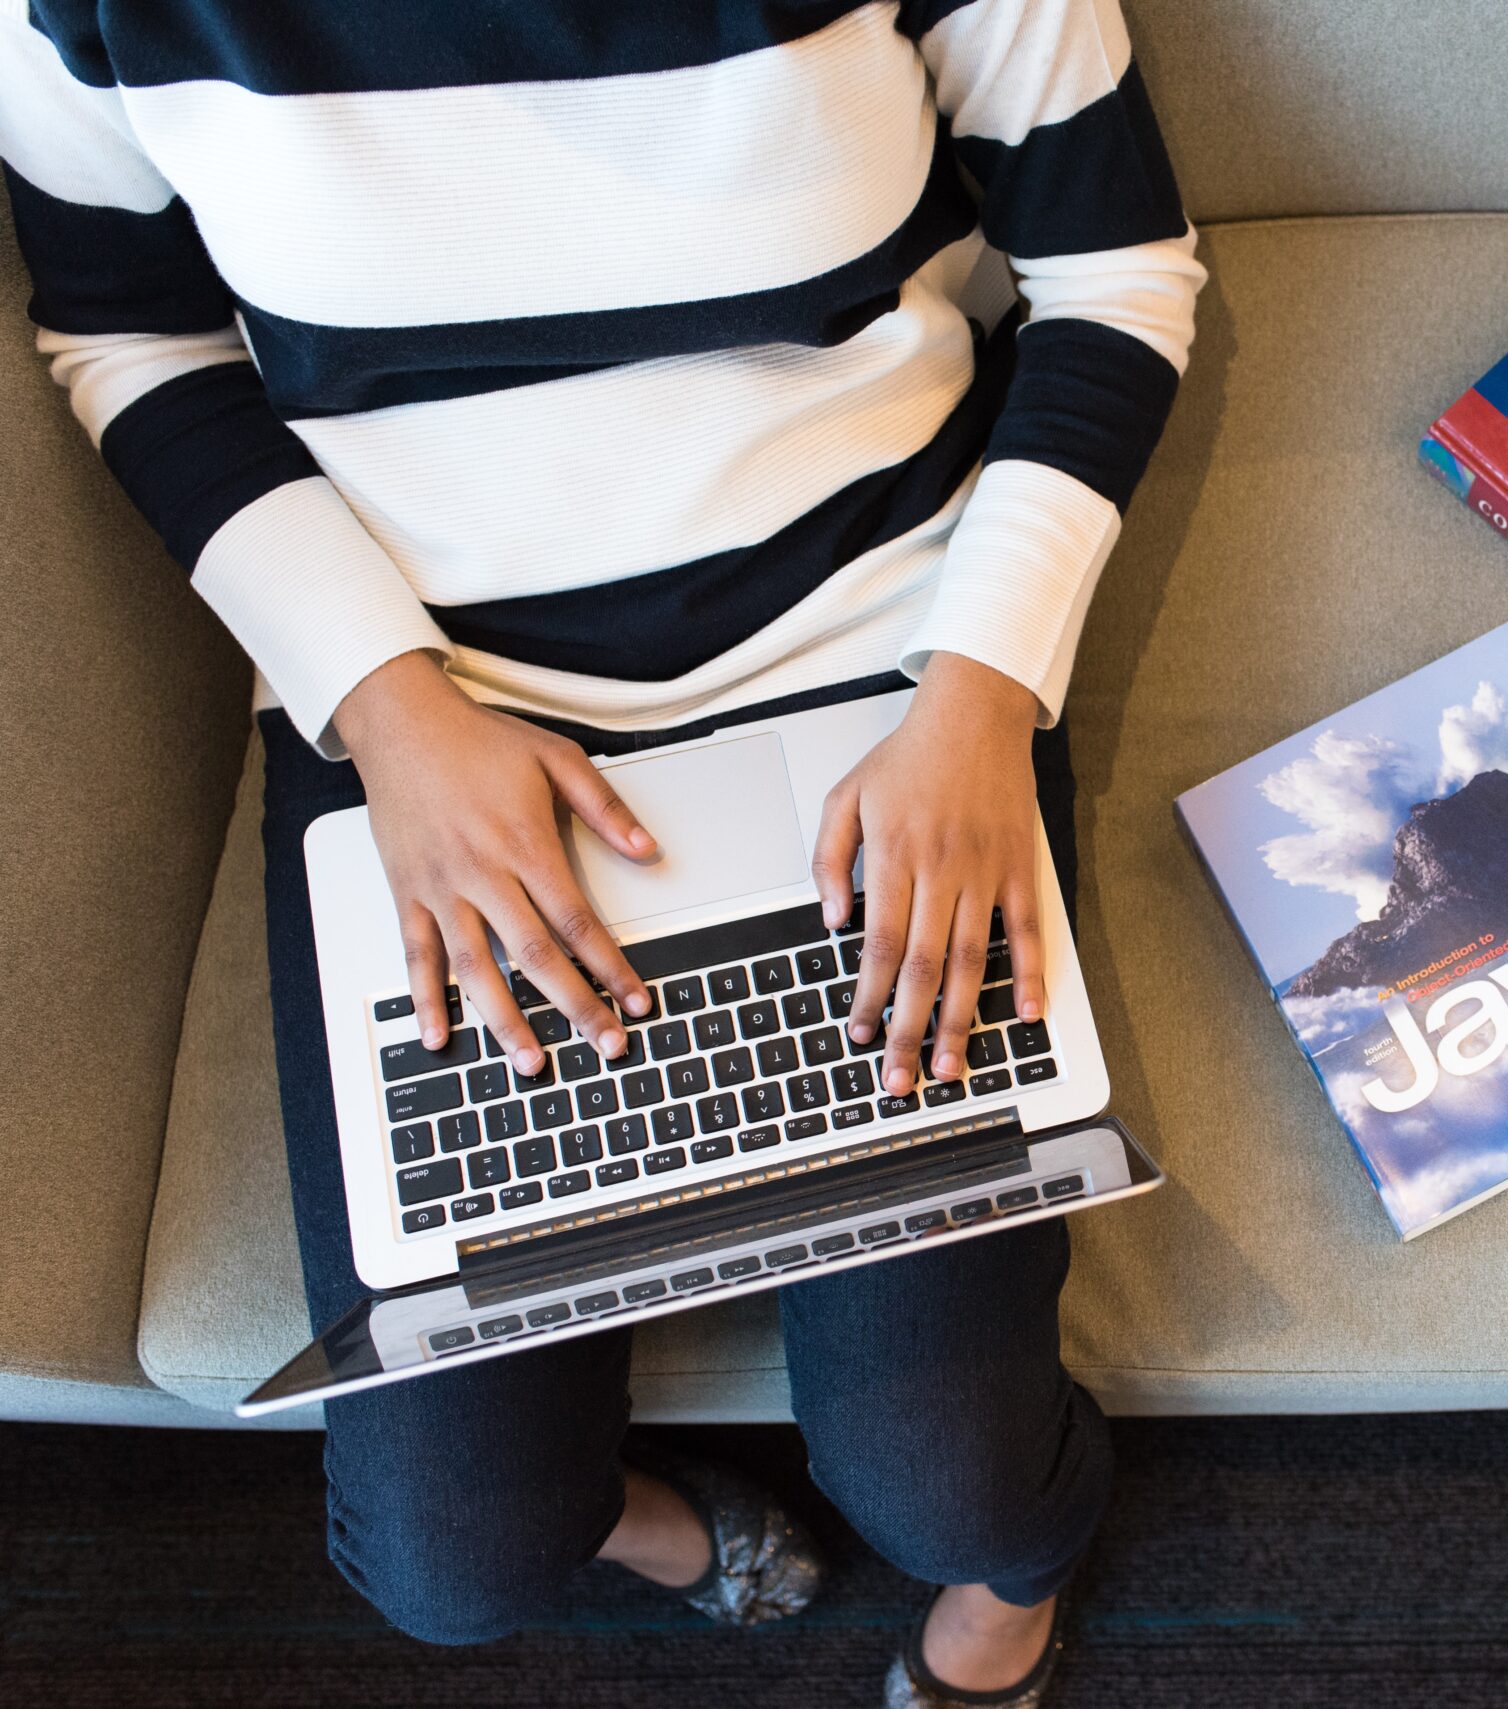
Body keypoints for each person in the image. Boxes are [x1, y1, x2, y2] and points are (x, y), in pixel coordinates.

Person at [1, 1, 1202, 1700]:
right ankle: (650, 1521)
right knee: (451, 1556)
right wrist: (390, 712)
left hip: (880, 668)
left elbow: (1115, 272)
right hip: (428, 708)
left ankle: (1024, 1568)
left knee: (955, 1471)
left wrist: (986, 692)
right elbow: (130, 336)